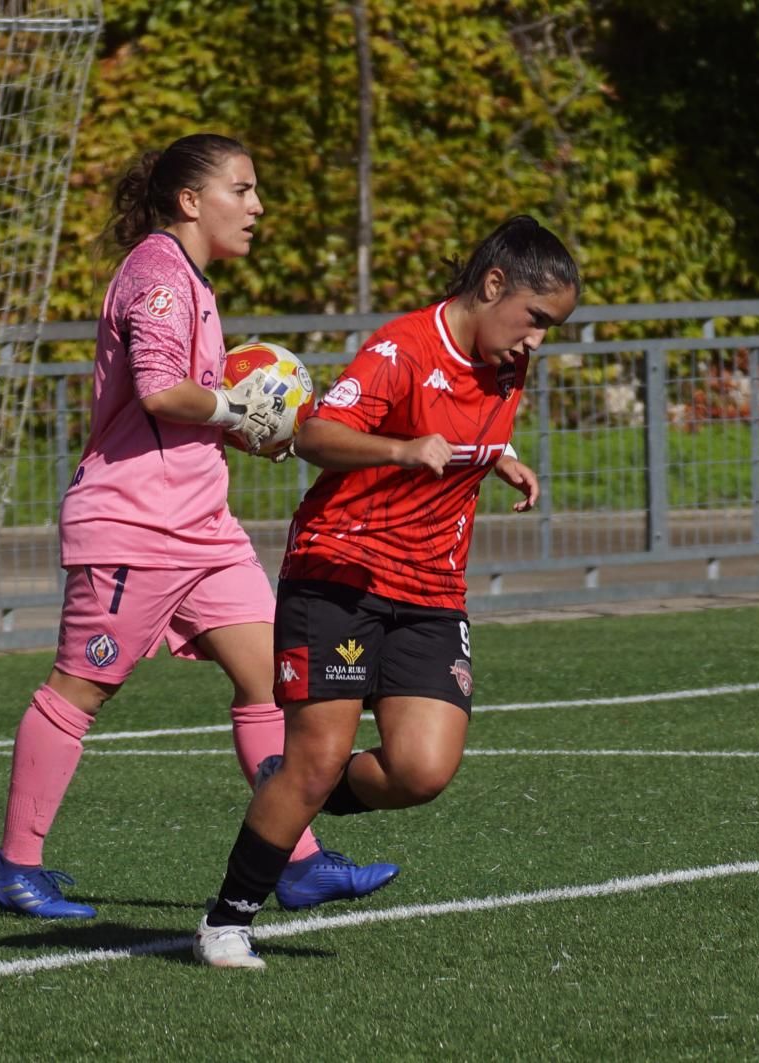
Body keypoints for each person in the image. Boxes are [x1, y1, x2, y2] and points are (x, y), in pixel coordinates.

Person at [0, 133, 398, 919]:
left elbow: (188, 407)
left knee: (273, 676)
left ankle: (297, 863)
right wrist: (239, 408)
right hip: (133, 525)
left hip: (201, 525)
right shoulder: (159, 276)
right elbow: (162, 392)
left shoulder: (190, 279)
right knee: (80, 690)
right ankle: (14, 865)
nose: (257, 206)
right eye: (243, 189)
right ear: (190, 201)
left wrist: (241, 427)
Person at [193, 215, 581, 967]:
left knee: (421, 769)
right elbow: (315, 437)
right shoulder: (401, 349)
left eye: (551, 328)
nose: (537, 339)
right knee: (320, 753)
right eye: (535, 319)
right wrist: (402, 450)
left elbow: (463, 426)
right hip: (341, 571)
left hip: (433, 584)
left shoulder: (506, 363)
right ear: (493, 285)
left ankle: (293, 785)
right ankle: (227, 917)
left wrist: (497, 458)